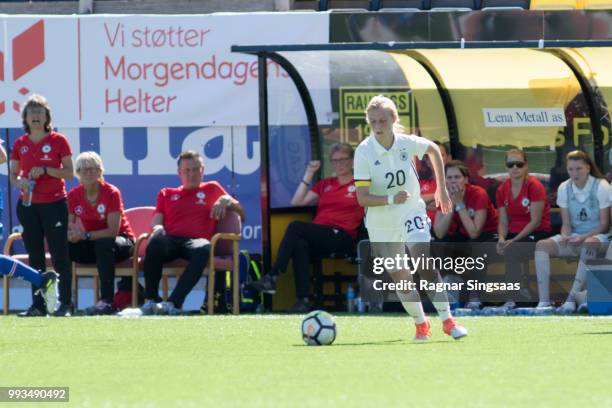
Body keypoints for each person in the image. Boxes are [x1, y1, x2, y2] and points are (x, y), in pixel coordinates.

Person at [354, 95, 467, 341]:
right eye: (373, 121)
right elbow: (362, 198)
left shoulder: (406, 143)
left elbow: (434, 150)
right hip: (381, 222)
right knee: (399, 275)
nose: (378, 125)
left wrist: (441, 188)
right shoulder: (363, 151)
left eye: (382, 120)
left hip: (411, 211)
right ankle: (420, 323)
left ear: (393, 119)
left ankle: (448, 321)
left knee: (423, 262)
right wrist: (392, 199)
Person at [249, 143, 365, 312]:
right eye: (334, 160)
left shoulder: (360, 185)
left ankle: (273, 275)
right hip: (320, 235)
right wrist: (309, 173)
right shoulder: (326, 184)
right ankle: (302, 300)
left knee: (296, 227)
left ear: (352, 161)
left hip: (343, 236)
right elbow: (297, 202)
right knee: (299, 244)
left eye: (343, 159)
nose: (339, 164)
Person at [140, 150, 244, 315]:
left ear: (202, 170)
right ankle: (151, 299)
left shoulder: (212, 188)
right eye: (187, 170)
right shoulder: (167, 193)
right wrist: (157, 228)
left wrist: (227, 200)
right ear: (179, 172)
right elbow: (157, 219)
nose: (192, 174)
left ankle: (174, 302)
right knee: (155, 244)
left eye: (196, 169)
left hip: (196, 241)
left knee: (204, 248)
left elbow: (241, 214)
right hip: (172, 240)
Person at [10, 95, 74, 317]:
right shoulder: (20, 144)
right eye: (32, 112)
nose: (36, 116)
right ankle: (37, 306)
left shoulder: (58, 140)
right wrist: (21, 182)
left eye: (40, 112)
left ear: (47, 117)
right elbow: (13, 175)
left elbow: (69, 172)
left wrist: (46, 170)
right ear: (25, 118)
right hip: (28, 206)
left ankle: (65, 304)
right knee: (34, 256)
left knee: (59, 255)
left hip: (55, 203)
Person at [534, 150, 611, 313]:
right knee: (542, 245)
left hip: (599, 238)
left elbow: (605, 225)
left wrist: (583, 237)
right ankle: (544, 303)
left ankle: (570, 299)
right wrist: (565, 236)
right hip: (575, 237)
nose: (574, 173)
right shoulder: (564, 188)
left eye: (579, 169)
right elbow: (566, 223)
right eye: (571, 169)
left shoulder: (602, 186)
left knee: (588, 244)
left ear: (588, 168)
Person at [67, 151, 136, 315]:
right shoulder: (73, 195)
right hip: (94, 242)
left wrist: (85, 236)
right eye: (83, 170)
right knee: (63, 247)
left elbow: (112, 231)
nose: (88, 173)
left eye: (92, 169)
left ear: (100, 171)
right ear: (77, 174)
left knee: (103, 243)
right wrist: (71, 235)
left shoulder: (111, 192)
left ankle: (106, 301)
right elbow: (69, 225)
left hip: (122, 242)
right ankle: (64, 301)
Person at [433, 160, 498, 309]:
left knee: (478, 248)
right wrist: (451, 205)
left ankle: (475, 298)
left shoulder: (478, 193)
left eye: (457, 177)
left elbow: (474, 232)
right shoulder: (443, 195)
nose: (453, 181)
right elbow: (439, 232)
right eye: (449, 178)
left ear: (466, 179)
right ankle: (450, 297)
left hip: (486, 236)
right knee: (442, 246)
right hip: (463, 235)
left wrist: (460, 204)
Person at [496, 149, 551, 309]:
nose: (515, 168)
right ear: (506, 167)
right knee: (487, 248)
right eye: (510, 164)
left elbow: (535, 221)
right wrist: (501, 238)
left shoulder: (534, 186)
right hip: (514, 234)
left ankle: (513, 298)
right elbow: (503, 221)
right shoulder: (502, 189)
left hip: (537, 233)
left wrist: (512, 240)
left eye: (519, 164)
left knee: (512, 250)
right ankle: (475, 298)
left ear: (526, 166)